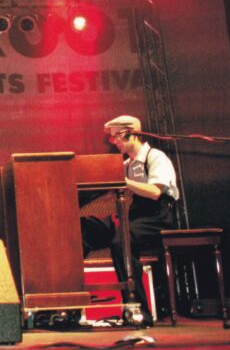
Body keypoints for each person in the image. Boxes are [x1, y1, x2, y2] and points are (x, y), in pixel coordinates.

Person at [81, 115, 178, 327]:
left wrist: (124, 181)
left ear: (131, 134)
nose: (114, 142)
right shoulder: (125, 164)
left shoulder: (155, 157)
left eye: (117, 137)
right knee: (84, 229)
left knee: (120, 242)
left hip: (158, 215)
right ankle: (68, 305)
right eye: (112, 139)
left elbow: (154, 192)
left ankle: (137, 310)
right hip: (135, 216)